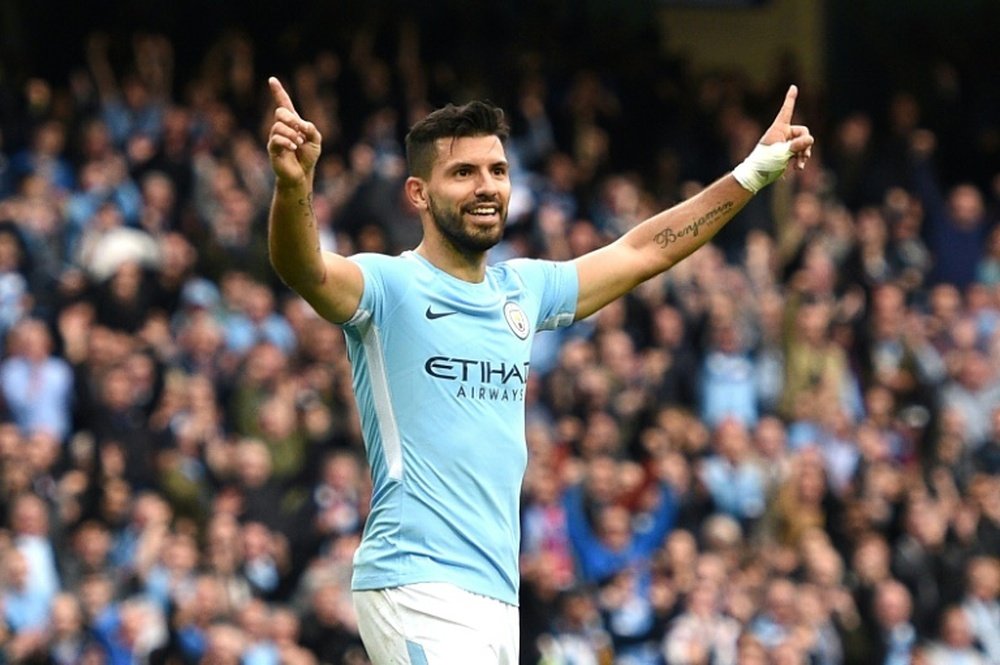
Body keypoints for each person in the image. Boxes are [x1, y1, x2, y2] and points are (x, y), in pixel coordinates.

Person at [265, 75, 813, 663]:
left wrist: (753, 172)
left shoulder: (522, 290)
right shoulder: (390, 285)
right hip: (416, 581)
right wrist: (294, 187)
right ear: (418, 194)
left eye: (497, 172)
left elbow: (644, 250)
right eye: (464, 173)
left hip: (497, 597)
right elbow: (306, 270)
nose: (487, 187)